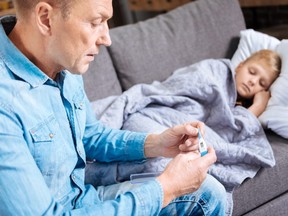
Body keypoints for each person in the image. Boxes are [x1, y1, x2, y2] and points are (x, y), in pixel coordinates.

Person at [0, 0, 227, 215]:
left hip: (83, 198)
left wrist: (156, 143)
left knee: (208, 193)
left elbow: (89, 135)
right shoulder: (5, 104)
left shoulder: (62, 61)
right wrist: (166, 188)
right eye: (96, 22)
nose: (106, 39)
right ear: (46, 18)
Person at [234, 49, 281, 117]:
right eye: (252, 72)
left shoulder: (246, 108)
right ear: (239, 67)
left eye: (262, 83)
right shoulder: (220, 74)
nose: (253, 81)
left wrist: (258, 106)